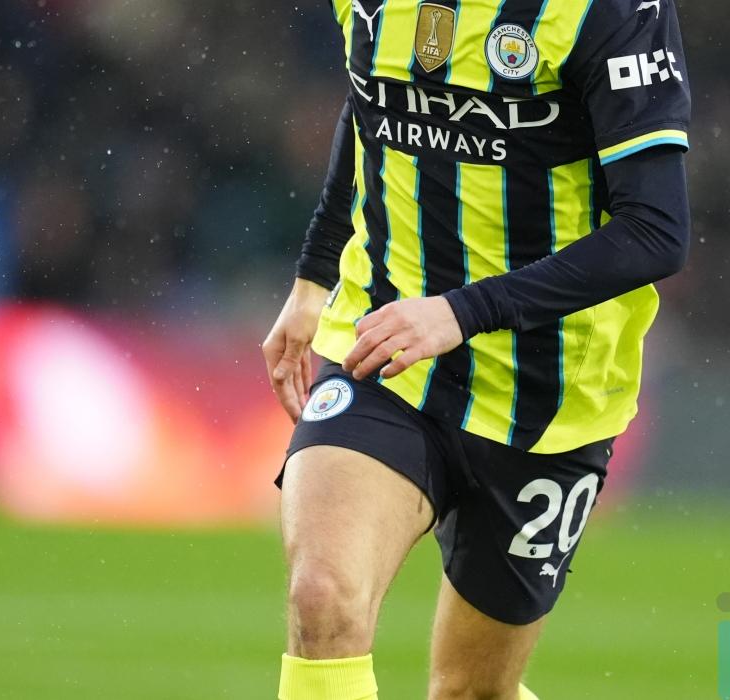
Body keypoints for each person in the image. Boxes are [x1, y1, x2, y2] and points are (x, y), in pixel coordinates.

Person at [262, 0, 692, 696]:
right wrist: (314, 278)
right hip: (386, 352)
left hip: (549, 398)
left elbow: (655, 231)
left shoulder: (607, 10)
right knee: (322, 596)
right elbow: (371, 97)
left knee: (470, 691)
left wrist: (463, 313)